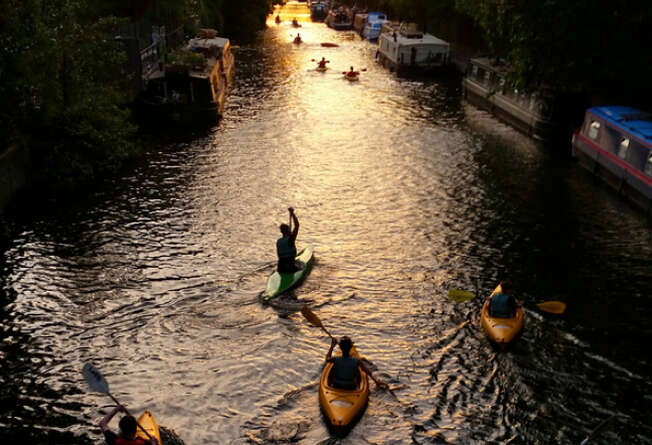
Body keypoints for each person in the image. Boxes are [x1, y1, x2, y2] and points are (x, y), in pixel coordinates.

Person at [277, 207, 300, 273]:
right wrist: (292, 214)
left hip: (280, 268)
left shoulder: (278, 241)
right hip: (290, 268)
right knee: (302, 265)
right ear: (288, 231)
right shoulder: (291, 239)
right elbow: (297, 225)